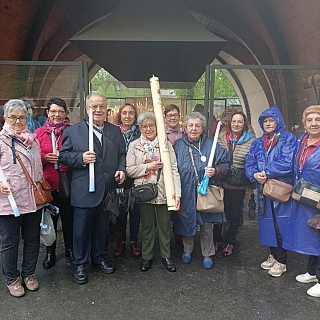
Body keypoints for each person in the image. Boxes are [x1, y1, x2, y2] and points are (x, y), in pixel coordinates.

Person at [59, 93, 126, 285]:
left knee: (102, 227)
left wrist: (121, 169)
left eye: (101, 107)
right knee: (80, 229)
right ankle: (80, 263)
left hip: (106, 189)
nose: (98, 110)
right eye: (94, 107)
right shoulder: (74, 131)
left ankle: (100, 258)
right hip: (83, 189)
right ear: (87, 109)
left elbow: (122, 154)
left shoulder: (114, 131)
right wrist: (80, 159)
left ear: (107, 109)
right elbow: (63, 156)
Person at [173, 112, 231, 269]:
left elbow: (226, 165)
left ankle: (207, 253)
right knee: (186, 221)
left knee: (206, 223)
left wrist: (216, 170)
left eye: (197, 126)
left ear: (202, 128)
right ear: (184, 128)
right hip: (186, 191)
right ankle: (187, 250)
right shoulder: (178, 146)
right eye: (190, 125)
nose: (194, 129)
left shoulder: (212, 145)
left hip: (205, 192)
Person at [245, 104, 296, 277]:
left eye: (271, 120)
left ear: (278, 121)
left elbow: (287, 162)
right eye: (264, 121)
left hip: (281, 189)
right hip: (263, 189)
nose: (267, 123)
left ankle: (282, 261)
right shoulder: (258, 142)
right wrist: (254, 174)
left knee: (280, 224)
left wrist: (266, 172)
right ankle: (273, 255)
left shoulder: (288, 139)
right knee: (267, 224)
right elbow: (249, 162)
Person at [126, 112, 181, 272]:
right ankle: (147, 256)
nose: (148, 129)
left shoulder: (165, 144)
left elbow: (173, 168)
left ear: (157, 127)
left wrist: (177, 194)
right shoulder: (134, 145)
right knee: (147, 226)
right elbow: (129, 170)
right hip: (144, 191)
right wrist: (147, 167)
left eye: (151, 125)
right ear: (140, 128)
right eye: (145, 126)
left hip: (164, 189)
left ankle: (166, 256)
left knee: (164, 225)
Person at [0, 99, 44, 297]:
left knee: (33, 239)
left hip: (32, 200)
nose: (18, 121)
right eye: (13, 117)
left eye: (22, 117)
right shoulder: (1, 141)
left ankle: (29, 274)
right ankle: (12, 278)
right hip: (9, 202)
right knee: (10, 241)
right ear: (5, 118)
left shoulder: (32, 140)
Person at [283, 105, 320, 297]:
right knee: (313, 233)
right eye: (310, 120)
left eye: (318, 120)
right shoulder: (302, 142)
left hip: (318, 197)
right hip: (306, 197)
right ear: (304, 123)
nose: (313, 123)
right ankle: (313, 272)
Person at [34, 98, 73, 269]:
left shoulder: (72, 131)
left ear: (66, 112)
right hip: (48, 185)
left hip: (68, 182)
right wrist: (44, 157)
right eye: (53, 111)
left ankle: (70, 250)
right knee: (49, 221)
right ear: (48, 113)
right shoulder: (39, 133)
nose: (57, 115)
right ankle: (50, 252)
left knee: (69, 219)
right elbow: (32, 158)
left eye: (60, 111)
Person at [216, 112, 255, 256]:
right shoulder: (220, 138)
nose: (236, 124)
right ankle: (217, 239)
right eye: (234, 121)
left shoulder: (251, 140)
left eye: (240, 122)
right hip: (221, 181)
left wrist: (251, 185)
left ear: (244, 123)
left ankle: (230, 241)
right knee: (218, 211)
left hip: (238, 184)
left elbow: (252, 162)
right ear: (230, 123)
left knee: (235, 214)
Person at [113, 103, 141, 258]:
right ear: (120, 116)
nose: (128, 116)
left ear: (135, 116)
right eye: (124, 113)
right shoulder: (114, 131)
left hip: (136, 177)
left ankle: (134, 240)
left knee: (135, 211)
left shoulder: (140, 132)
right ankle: (120, 240)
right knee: (120, 212)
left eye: (131, 113)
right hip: (119, 177)